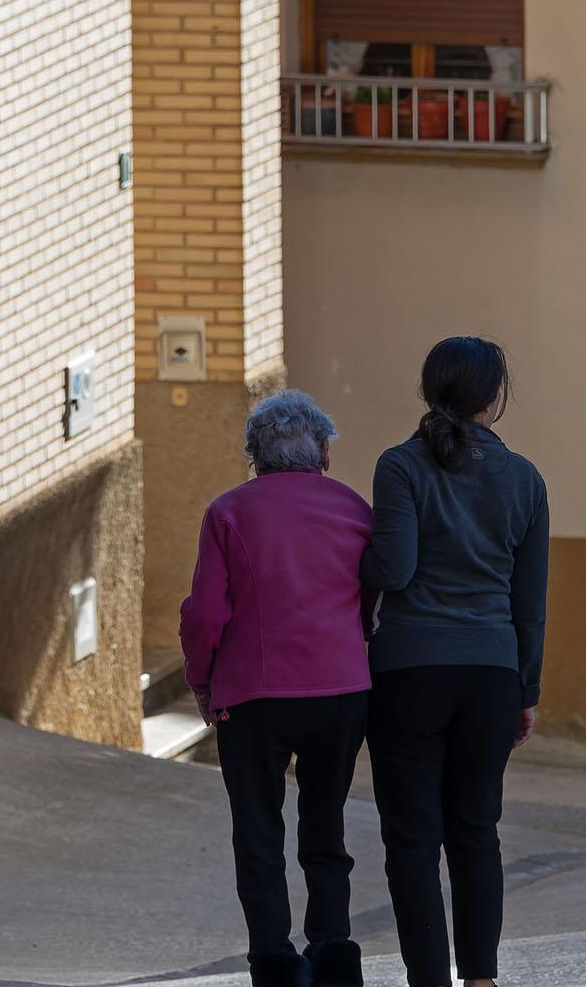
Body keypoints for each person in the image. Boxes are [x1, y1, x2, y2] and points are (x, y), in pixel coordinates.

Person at [361, 337, 549, 987]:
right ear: (494, 399)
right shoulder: (525, 479)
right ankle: (482, 980)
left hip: (409, 673)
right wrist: (526, 689)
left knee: (412, 840)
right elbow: (530, 603)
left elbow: (395, 567)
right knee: (476, 832)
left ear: (429, 390)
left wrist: (350, 560)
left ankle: (428, 981)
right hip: (491, 675)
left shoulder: (399, 467)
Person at [181, 389, 375, 987]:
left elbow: (205, 615)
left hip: (254, 696)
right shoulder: (354, 509)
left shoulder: (229, 513)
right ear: (323, 451)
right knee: (326, 823)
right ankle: (334, 951)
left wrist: (202, 679)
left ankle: (272, 959)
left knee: (258, 828)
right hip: (340, 692)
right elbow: (373, 600)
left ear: (254, 454)